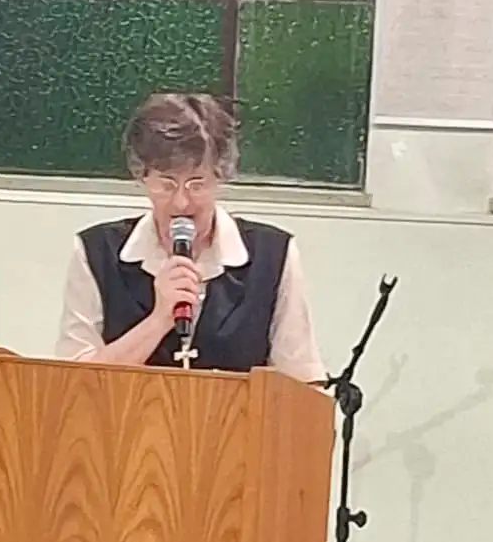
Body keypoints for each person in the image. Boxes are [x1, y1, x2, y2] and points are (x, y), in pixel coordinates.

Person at [56, 92, 325, 380]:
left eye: (197, 184)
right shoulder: (97, 253)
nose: (182, 203)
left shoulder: (272, 256)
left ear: (220, 176)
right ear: (142, 177)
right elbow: (73, 382)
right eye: (167, 184)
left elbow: (302, 382)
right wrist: (159, 320)